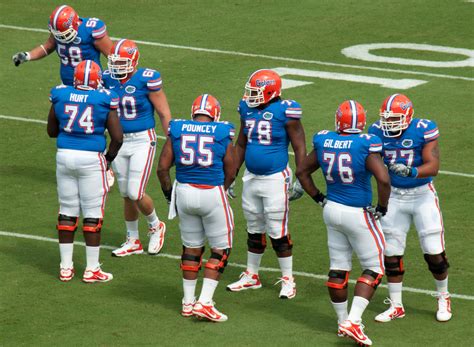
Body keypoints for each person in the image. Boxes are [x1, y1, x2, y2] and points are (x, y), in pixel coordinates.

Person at [297, 100, 390, 346]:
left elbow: (302, 172)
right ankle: (353, 320)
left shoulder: (324, 140)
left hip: (331, 209)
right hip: (357, 212)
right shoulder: (365, 143)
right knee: (375, 267)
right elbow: (383, 179)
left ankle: (342, 323)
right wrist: (382, 206)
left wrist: (318, 197)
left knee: (339, 267)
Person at [369, 93, 451, 322]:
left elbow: (433, 166)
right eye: (386, 119)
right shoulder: (375, 131)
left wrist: (411, 171)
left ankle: (443, 296)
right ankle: (396, 305)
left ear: (408, 116)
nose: (389, 124)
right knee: (391, 253)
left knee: (434, 252)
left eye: (394, 119)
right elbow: (370, 162)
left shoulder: (423, 129)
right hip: (394, 196)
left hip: (422, 195)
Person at [226, 69, 306, 299]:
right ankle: (252, 275)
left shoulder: (285, 111)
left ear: (271, 92)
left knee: (277, 230)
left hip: (275, 178)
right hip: (251, 177)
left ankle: (288, 278)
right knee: (253, 226)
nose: (250, 96)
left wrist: (301, 177)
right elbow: (240, 144)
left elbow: (300, 147)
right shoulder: (246, 109)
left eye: (255, 92)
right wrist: (231, 175)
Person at [157, 94, 235, 322]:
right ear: (215, 114)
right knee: (221, 250)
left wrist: (170, 196)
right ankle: (205, 302)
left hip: (184, 192)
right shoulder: (222, 131)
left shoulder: (178, 128)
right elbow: (231, 168)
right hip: (211, 192)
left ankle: (188, 302)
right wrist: (223, 187)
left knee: (191, 248)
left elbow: (162, 168)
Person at [47, 60, 123, 282]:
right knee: (93, 213)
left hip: (64, 156)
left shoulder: (60, 94)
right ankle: (91, 269)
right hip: (91, 159)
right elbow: (117, 137)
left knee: (67, 210)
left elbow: (51, 130)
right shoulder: (104, 98)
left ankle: (65, 268)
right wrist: (107, 160)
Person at [102, 39, 172, 257]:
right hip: (119, 140)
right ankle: (132, 239)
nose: (117, 66)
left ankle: (155, 225)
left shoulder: (146, 79)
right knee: (125, 193)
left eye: (122, 62)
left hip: (143, 139)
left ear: (133, 61)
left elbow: (163, 112)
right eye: (114, 61)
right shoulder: (107, 79)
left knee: (135, 191)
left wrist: (172, 141)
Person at [12, 5, 113, 86]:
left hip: (90, 84)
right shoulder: (58, 30)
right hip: (67, 84)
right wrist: (27, 55)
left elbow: (112, 56)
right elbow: (48, 46)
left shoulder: (90, 30)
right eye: (59, 35)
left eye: (65, 34)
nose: (62, 38)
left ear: (75, 24)